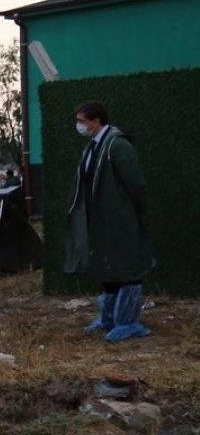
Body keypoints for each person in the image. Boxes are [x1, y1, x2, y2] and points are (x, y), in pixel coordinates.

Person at [66, 101, 154, 342]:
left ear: (96, 121)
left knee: (125, 266)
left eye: (82, 121)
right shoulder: (93, 147)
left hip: (119, 220)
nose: (79, 126)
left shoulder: (117, 145)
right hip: (99, 221)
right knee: (107, 267)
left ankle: (128, 322)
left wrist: (135, 214)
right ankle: (109, 318)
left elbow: (135, 184)